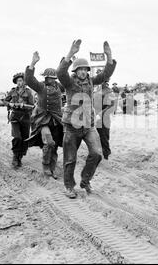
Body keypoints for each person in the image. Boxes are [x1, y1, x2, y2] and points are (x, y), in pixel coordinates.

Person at [56, 39, 116, 199]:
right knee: (70, 159)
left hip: (88, 125)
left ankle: (85, 180)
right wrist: (70, 53)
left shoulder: (90, 81)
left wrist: (109, 57)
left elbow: (105, 75)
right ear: (75, 71)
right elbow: (60, 73)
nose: (83, 72)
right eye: (80, 69)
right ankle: (69, 186)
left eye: (85, 69)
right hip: (71, 126)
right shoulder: (69, 82)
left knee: (96, 154)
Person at [24, 52, 64, 179]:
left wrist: (67, 64)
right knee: (49, 143)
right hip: (42, 120)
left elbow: (66, 78)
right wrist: (33, 63)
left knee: (55, 145)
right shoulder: (40, 87)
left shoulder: (60, 87)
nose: (49, 80)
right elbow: (29, 79)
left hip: (57, 120)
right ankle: (46, 166)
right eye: (47, 77)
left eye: (52, 78)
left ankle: (52, 168)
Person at [4, 72, 34, 168]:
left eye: (21, 80)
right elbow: (5, 101)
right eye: (18, 81)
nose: (20, 82)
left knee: (25, 139)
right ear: (16, 82)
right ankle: (15, 157)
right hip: (15, 117)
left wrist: (24, 106)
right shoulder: (12, 91)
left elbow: (32, 106)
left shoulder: (28, 92)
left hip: (25, 117)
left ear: (24, 81)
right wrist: (10, 104)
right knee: (17, 137)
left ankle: (20, 157)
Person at [94, 81, 116, 160]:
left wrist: (99, 115)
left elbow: (111, 106)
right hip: (94, 118)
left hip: (104, 119)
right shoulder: (95, 90)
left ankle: (106, 156)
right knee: (95, 138)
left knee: (104, 138)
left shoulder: (109, 92)